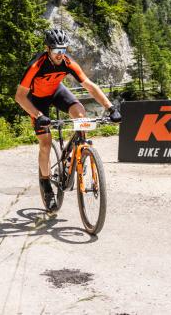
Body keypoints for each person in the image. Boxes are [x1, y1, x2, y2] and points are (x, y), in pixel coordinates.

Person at [15, 28, 121, 210]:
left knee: (80, 113)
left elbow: (89, 85)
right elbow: (20, 97)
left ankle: (79, 148)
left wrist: (110, 108)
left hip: (56, 91)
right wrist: (38, 116)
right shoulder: (37, 65)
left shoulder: (67, 62)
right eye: (56, 51)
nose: (60, 55)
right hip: (36, 100)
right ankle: (46, 185)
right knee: (46, 143)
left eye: (63, 50)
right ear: (48, 49)